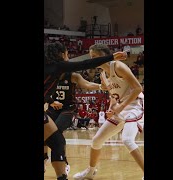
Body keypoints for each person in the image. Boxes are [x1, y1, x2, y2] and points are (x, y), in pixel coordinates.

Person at [43, 42, 126, 180]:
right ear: (61, 54)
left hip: (65, 108)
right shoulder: (59, 66)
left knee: (57, 141)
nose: (68, 56)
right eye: (66, 53)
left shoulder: (55, 69)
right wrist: (111, 57)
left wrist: (51, 101)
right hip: (50, 110)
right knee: (57, 141)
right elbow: (85, 64)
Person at [73, 44, 144, 180]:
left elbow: (138, 88)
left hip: (136, 104)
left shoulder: (118, 66)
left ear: (104, 55)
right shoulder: (103, 74)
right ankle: (91, 171)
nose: (92, 60)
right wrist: (112, 107)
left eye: (95, 57)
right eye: (91, 57)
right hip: (121, 107)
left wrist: (120, 106)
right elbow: (113, 94)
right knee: (96, 141)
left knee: (127, 140)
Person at [44, 65, 110, 174]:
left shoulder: (72, 76)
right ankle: (45, 158)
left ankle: (63, 161)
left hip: (68, 109)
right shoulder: (50, 75)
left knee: (57, 131)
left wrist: (100, 86)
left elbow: (87, 84)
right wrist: (51, 102)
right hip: (52, 108)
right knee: (45, 131)